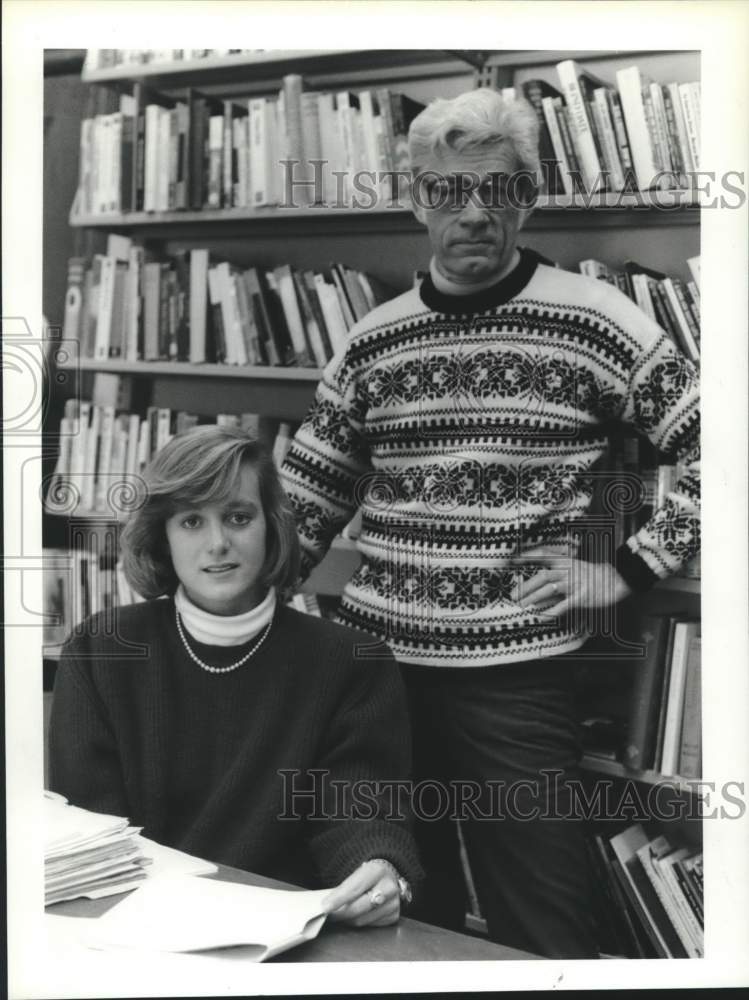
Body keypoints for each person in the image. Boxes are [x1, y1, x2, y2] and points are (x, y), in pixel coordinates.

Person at [280, 88, 700, 957]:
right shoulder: (372, 341)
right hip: (372, 678)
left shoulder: (596, 322)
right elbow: (306, 501)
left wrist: (624, 569)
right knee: (389, 911)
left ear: (528, 197)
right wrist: (205, 602)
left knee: (542, 925)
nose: (474, 213)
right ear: (415, 200)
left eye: (497, 191)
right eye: (446, 191)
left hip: (516, 681)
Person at [49, 425, 421, 928]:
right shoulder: (100, 650)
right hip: (137, 928)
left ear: (272, 526)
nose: (218, 543)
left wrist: (377, 868)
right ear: (162, 536)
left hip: (295, 935)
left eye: (238, 517)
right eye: (191, 522)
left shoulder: (352, 661)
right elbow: (93, 837)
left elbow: (357, 812)